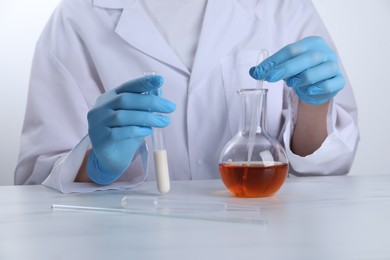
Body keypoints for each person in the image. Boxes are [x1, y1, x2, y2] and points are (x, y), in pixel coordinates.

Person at [15, 0, 359, 193]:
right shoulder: (78, 18)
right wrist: (95, 165)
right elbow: (35, 176)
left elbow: (327, 167)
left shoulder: (283, 8)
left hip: (262, 241)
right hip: (131, 241)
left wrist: (315, 104)